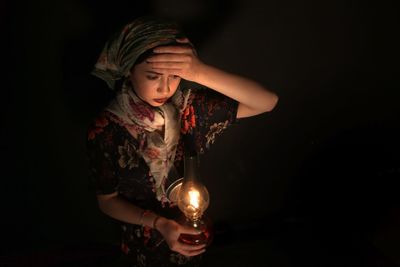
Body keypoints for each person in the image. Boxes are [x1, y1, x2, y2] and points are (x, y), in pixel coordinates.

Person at [87, 16, 278, 267]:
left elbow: (266, 101)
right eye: (153, 76)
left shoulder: (190, 109)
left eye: (175, 76)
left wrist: (198, 71)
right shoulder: (106, 130)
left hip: (191, 238)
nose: (165, 88)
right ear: (129, 70)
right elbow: (107, 201)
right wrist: (158, 223)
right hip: (141, 247)